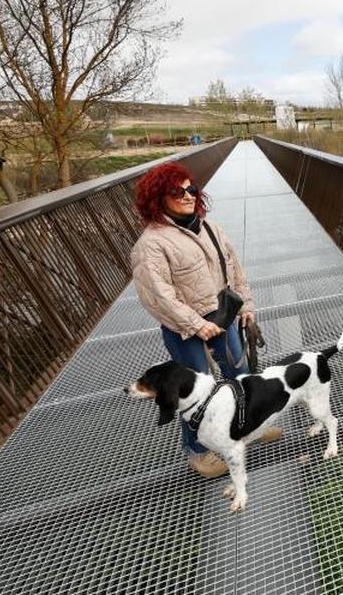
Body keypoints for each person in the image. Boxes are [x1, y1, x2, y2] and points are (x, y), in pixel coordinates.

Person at [130, 161, 273, 478]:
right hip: (186, 329)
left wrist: (246, 305)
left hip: (224, 316)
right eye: (176, 191)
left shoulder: (209, 227)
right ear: (157, 198)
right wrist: (196, 324)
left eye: (190, 189)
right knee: (193, 391)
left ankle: (248, 425)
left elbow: (233, 269)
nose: (187, 196)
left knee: (241, 372)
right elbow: (158, 296)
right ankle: (197, 451)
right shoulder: (151, 244)